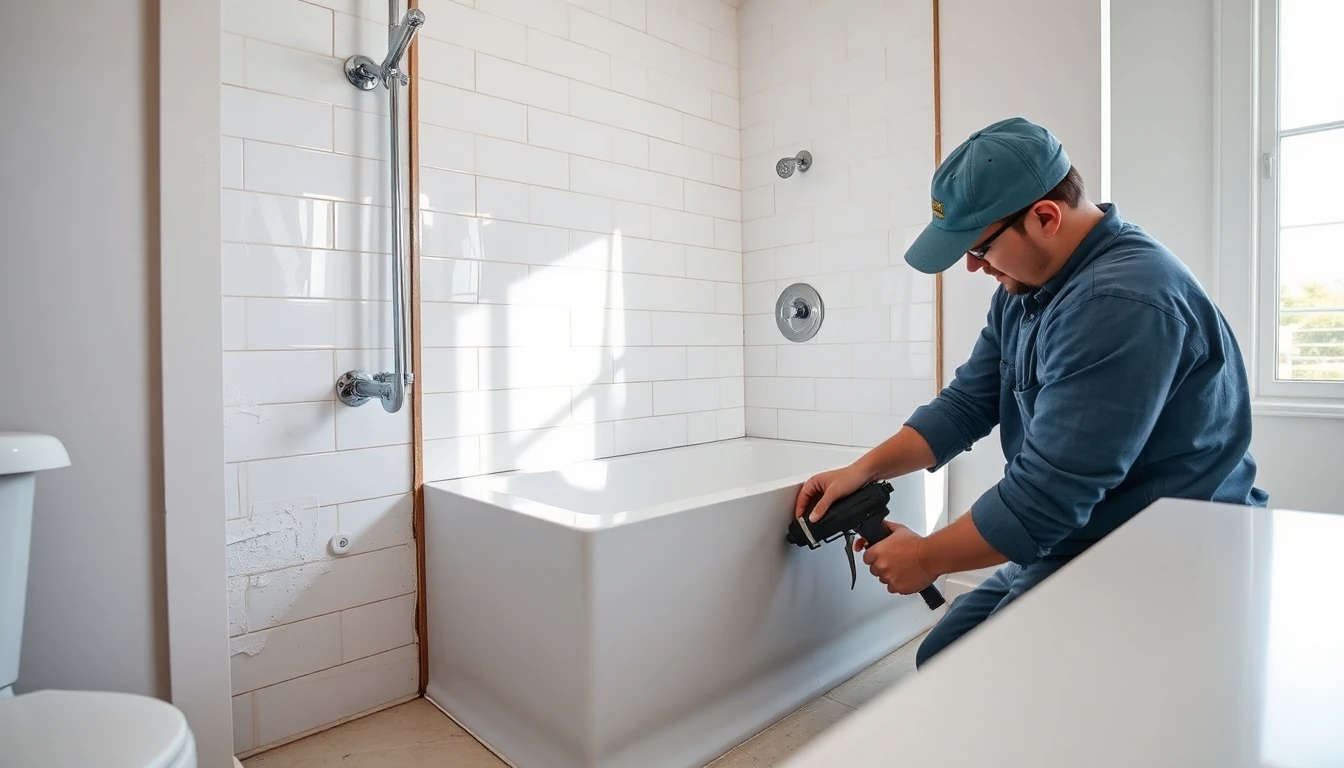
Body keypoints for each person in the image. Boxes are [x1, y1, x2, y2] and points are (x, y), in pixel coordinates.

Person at [793, 117, 1269, 669]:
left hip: (1162, 548)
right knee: (944, 657)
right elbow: (967, 404)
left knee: (967, 679)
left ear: (1045, 217)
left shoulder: (1117, 302)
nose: (972, 265)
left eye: (980, 247)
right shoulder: (1029, 289)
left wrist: (926, 557)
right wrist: (863, 469)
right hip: (1083, 532)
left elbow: (1046, 496)